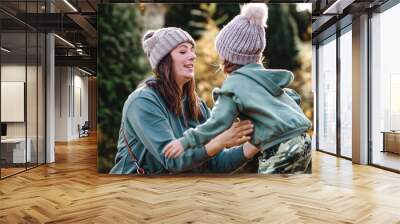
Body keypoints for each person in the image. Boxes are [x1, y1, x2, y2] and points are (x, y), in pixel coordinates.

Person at [163, 4, 312, 174]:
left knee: (267, 195)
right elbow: (293, 97)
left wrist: (184, 142)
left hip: (281, 148)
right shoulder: (264, 77)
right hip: (303, 140)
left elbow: (217, 123)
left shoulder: (233, 87)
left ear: (228, 56)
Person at [110, 27, 261, 175]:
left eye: (192, 50)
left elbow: (216, 163)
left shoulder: (197, 105)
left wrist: (258, 142)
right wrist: (220, 141)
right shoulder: (143, 102)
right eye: (183, 51)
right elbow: (172, 160)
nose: (192, 56)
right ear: (164, 61)